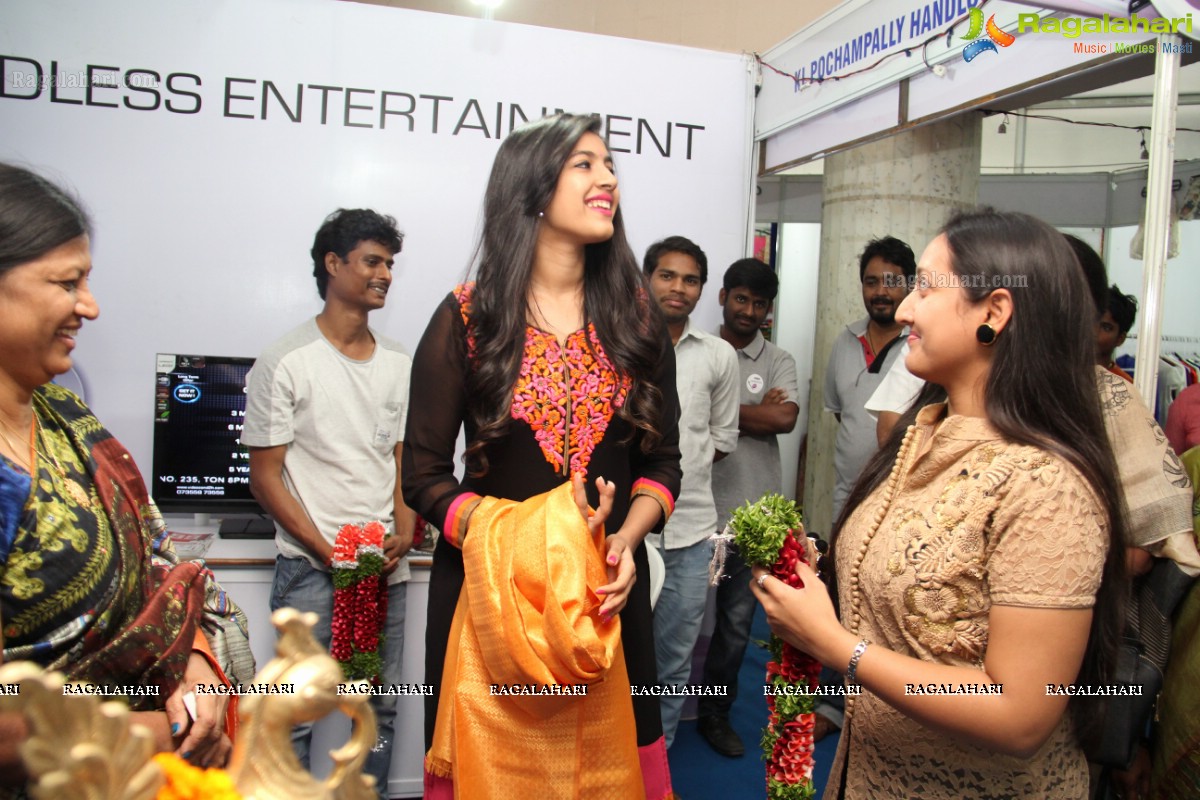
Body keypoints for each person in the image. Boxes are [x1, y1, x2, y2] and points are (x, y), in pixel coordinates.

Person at [752, 209, 1129, 799]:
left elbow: (1020, 713)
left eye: (925, 288)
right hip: (867, 773)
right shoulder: (923, 432)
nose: (903, 309)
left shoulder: (1045, 483)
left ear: (994, 314)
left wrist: (837, 648)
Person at [402, 113, 682, 800]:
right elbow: (424, 475)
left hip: (606, 597)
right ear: (532, 190)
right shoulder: (468, 320)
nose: (608, 178)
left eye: (610, 164)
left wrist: (625, 540)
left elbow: (664, 464)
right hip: (492, 602)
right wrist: (518, 542)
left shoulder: (638, 322)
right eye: (584, 164)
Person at [0, 163, 253, 788]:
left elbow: (160, 563)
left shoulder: (67, 417)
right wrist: (156, 728)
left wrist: (194, 664)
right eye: (67, 283)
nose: (90, 306)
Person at [243, 208, 414, 798]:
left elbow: (402, 462)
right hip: (313, 574)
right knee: (295, 712)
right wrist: (328, 552)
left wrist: (407, 529)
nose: (385, 274)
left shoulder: (399, 363)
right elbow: (265, 479)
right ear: (333, 264)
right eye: (372, 261)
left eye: (390, 263)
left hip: (382, 573)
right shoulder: (286, 359)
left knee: (376, 711)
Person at [696, 258, 798, 758]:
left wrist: (712, 410)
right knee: (680, 617)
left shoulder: (778, 360)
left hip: (751, 515)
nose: (749, 310)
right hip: (690, 510)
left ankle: (714, 714)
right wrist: (752, 415)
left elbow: (783, 417)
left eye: (759, 304)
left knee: (736, 626)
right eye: (741, 299)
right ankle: (658, 708)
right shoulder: (697, 350)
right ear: (723, 297)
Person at [641, 235, 738, 748]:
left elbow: (721, 438)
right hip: (624, 536)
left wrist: (681, 472)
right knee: (609, 659)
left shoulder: (718, 356)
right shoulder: (617, 343)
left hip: (692, 532)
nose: (678, 288)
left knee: (674, 661)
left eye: (691, 279)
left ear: (703, 289)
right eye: (667, 275)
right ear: (646, 278)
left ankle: (657, 772)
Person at [823, 236, 914, 521]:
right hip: (846, 499)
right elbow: (843, 414)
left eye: (891, 282)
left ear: (910, 286)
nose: (880, 292)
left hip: (901, 502)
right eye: (871, 282)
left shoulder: (921, 343)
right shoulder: (845, 341)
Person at [1098, 284, 1137, 382]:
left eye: (1106, 327)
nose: (1093, 331)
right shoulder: (1064, 374)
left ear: (1120, 339)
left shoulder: (1124, 386)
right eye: (1089, 321)